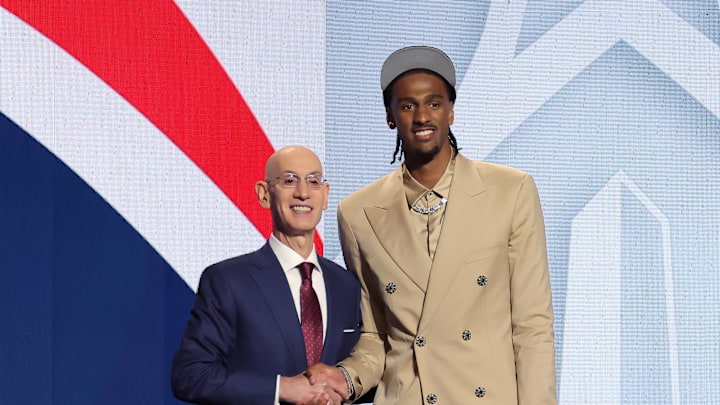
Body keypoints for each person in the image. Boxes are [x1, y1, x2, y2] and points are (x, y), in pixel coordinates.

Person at [307, 46, 557, 404]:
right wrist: (345, 379)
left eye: (434, 103)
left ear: (451, 110)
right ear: (390, 116)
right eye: (408, 105)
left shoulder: (510, 191)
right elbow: (376, 336)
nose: (422, 116)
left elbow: (533, 328)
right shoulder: (358, 212)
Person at [172, 146, 361, 405]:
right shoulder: (228, 281)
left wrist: (344, 383)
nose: (303, 193)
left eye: (314, 181)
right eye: (289, 180)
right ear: (264, 194)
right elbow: (191, 376)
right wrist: (281, 388)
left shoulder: (346, 285)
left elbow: (365, 371)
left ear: (325, 195)